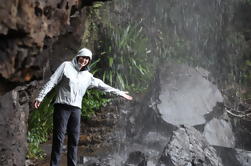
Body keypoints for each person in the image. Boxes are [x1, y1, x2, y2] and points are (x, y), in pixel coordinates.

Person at [34, 48, 133, 166]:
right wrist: (40, 97)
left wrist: (120, 92)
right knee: (58, 139)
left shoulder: (88, 76)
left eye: (87, 59)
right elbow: (52, 81)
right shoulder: (66, 66)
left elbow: (103, 85)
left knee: (74, 140)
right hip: (62, 107)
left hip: (76, 109)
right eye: (83, 57)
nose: (84, 60)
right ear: (78, 56)